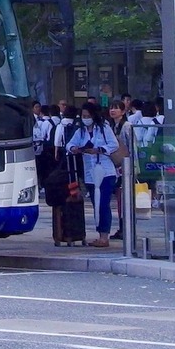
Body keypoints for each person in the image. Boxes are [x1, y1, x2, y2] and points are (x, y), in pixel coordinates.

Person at [63, 100, 120, 248]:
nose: (85, 118)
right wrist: (75, 148)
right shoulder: (80, 131)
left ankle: (104, 236)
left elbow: (114, 145)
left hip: (105, 170)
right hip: (90, 172)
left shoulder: (103, 128)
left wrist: (99, 150)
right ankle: (100, 234)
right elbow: (68, 145)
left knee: (103, 204)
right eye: (83, 115)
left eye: (88, 115)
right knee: (96, 203)